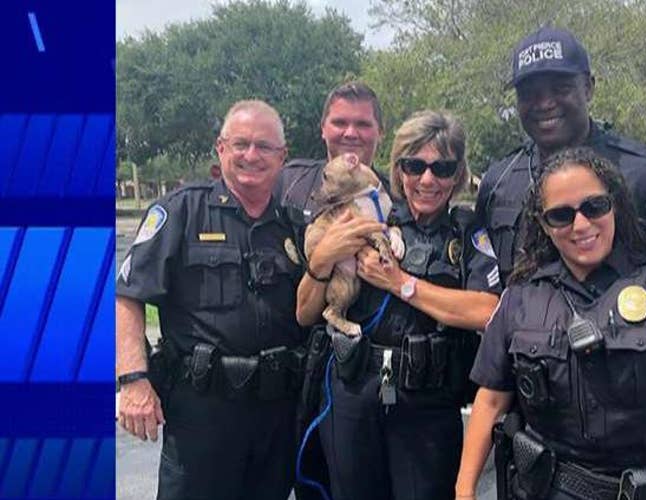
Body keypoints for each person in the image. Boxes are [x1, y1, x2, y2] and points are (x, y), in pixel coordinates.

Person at [456, 147, 646, 500]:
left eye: (594, 207)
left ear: (615, 205)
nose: (581, 225)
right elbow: (490, 401)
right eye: (561, 216)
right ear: (544, 225)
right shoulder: (520, 299)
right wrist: (465, 489)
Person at [296, 111, 501, 500]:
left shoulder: (467, 230)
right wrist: (321, 260)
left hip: (428, 400)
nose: (427, 179)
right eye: (414, 166)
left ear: (458, 175)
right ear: (398, 169)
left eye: (442, 168)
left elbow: (486, 311)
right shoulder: (366, 216)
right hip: (354, 389)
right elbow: (304, 313)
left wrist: (402, 284)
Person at [116, 100, 304, 500]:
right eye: (240, 144)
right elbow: (127, 297)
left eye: (264, 147)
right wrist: (134, 380)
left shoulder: (296, 226)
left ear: (282, 157)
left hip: (277, 414)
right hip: (203, 412)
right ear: (220, 148)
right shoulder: (181, 211)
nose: (251, 155)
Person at [474, 26, 646, 307]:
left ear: (588, 88)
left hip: (630, 343)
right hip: (527, 344)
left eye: (560, 88)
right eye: (530, 94)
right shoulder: (497, 182)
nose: (544, 103)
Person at [276, 80, 388, 498]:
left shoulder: (391, 192)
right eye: (339, 122)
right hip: (308, 369)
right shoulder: (287, 186)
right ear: (323, 127)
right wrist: (324, 257)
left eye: (362, 123)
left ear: (379, 131)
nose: (349, 132)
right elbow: (298, 307)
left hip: (374, 376)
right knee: (316, 486)